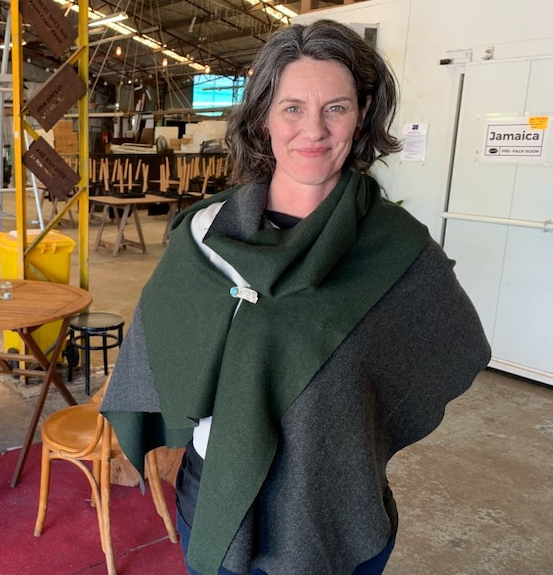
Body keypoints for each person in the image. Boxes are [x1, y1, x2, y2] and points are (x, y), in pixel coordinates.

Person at [100, 19, 491, 575]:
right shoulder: (205, 239)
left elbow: (442, 351)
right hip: (218, 502)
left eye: (336, 107)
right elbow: (157, 352)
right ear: (263, 116)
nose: (314, 130)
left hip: (338, 512)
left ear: (362, 116)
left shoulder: (398, 250)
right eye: (292, 108)